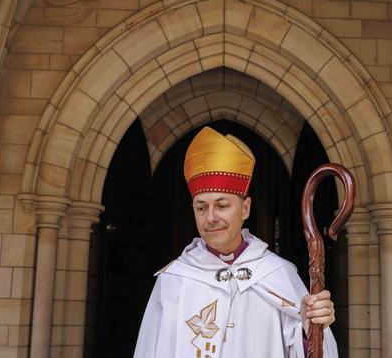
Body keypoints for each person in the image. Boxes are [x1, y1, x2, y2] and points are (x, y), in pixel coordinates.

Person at [133, 127, 338, 358]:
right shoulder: (173, 280)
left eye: (222, 206)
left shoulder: (278, 275)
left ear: (246, 208)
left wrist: (311, 325)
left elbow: (311, 351)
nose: (211, 218)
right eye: (201, 207)